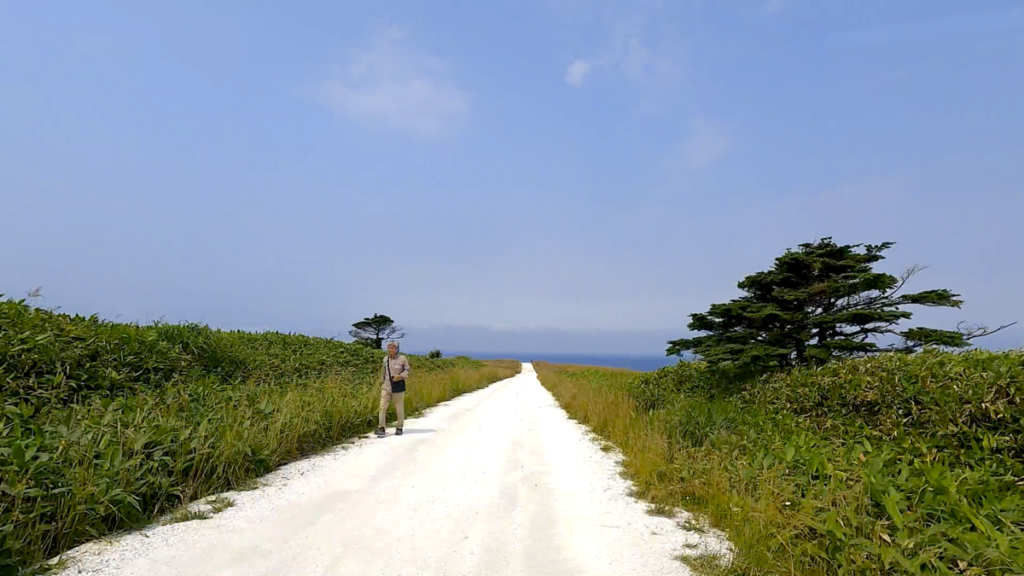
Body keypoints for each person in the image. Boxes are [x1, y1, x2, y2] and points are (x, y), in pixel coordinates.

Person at [377, 341, 410, 437]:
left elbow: (407, 370)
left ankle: (399, 427)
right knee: (382, 407)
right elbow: (383, 371)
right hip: (386, 386)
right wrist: (382, 381)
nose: (391, 349)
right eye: (389, 347)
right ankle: (381, 427)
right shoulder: (385, 359)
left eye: (393, 347)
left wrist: (400, 376)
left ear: (396, 349)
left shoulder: (402, 358)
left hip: (398, 387)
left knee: (399, 407)